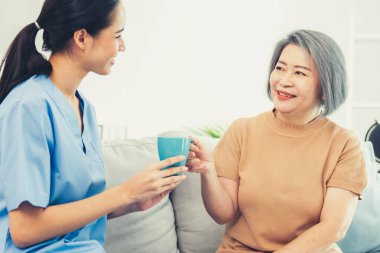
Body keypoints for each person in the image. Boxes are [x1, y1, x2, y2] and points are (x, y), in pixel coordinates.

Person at [0, 0, 187, 252]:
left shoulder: (85, 109)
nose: (123, 46)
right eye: (118, 35)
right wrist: (124, 192)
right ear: (81, 38)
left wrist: (135, 201)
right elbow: (25, 229)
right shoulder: (28, 106)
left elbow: (74, 208)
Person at [187, 30, 367, 253]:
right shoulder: (242, 131)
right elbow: (223, 214)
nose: (284, 81)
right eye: (280, 68)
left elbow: (334, 227)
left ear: (326, 85)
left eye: (300, 73)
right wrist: (208, 171)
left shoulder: (345, 144)